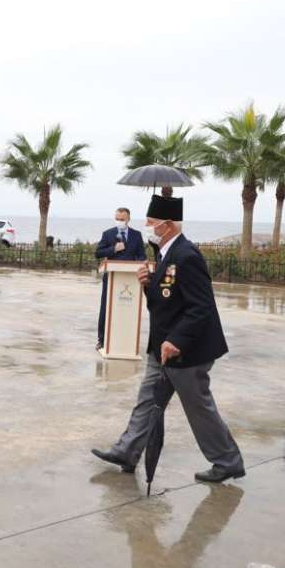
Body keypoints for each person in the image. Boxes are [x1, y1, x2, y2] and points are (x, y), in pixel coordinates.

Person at [91, 195, 245, 484]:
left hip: (186, 350)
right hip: (161, 347)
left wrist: (176, 340)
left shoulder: (187, 255)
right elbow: (166, 300)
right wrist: (148, 284)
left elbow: (200, 307)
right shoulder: (164, 255)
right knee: (147, 401)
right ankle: (127, 451)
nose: (148, 228)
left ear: (168, 225)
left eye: (152, 224)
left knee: (199, 407)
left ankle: (228, 461)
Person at [94, 207, 146, 349]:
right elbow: (98, 253)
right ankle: (102, 339)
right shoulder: (108, 234)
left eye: (122, 219)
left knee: (127, 308)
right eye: (117, 218)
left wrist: (139, 263)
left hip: (130, 279)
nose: (119, 221)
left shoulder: (137, 235)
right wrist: (113, 249)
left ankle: (126, 338)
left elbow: (142, 256)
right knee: (105, 307)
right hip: (111, 277)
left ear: (128, 219)